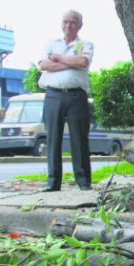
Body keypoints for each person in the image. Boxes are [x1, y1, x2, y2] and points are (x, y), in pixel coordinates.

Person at [38, 10, 94, 191]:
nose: (68, 25)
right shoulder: (51, 43)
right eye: (65, 22)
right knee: (53, 139)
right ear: (61, 24)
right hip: (53, 95)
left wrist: (59, 58)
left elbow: (83, 63)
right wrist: (70, 62)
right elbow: (43, 65)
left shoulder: (86, 44)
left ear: (80, 25)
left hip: (76, 96)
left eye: (73, 22)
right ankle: (53, 182)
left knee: (79, 139)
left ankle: (83, 181)